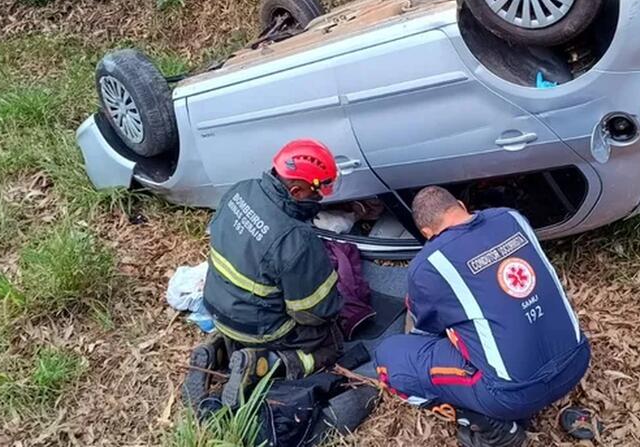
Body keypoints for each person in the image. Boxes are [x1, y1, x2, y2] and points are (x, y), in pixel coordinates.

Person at [373, 186, 591, 447]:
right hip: (577, 361)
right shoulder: (511, 218)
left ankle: (491, 426)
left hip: (513, 395)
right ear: (462, 207)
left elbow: (428, 330)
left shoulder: (429, 264)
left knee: (389, 357)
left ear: (426, 233)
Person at [187, 139, 344, 410]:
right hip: (258, 328)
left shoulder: (240, 191)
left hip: (215, 306)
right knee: (330, 343)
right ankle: (265, 364)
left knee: (245, 317)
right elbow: (312, 311)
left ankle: (213, 351)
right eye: (316, 192)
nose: (320, 199)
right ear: (296, 190)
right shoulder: (296, 239)